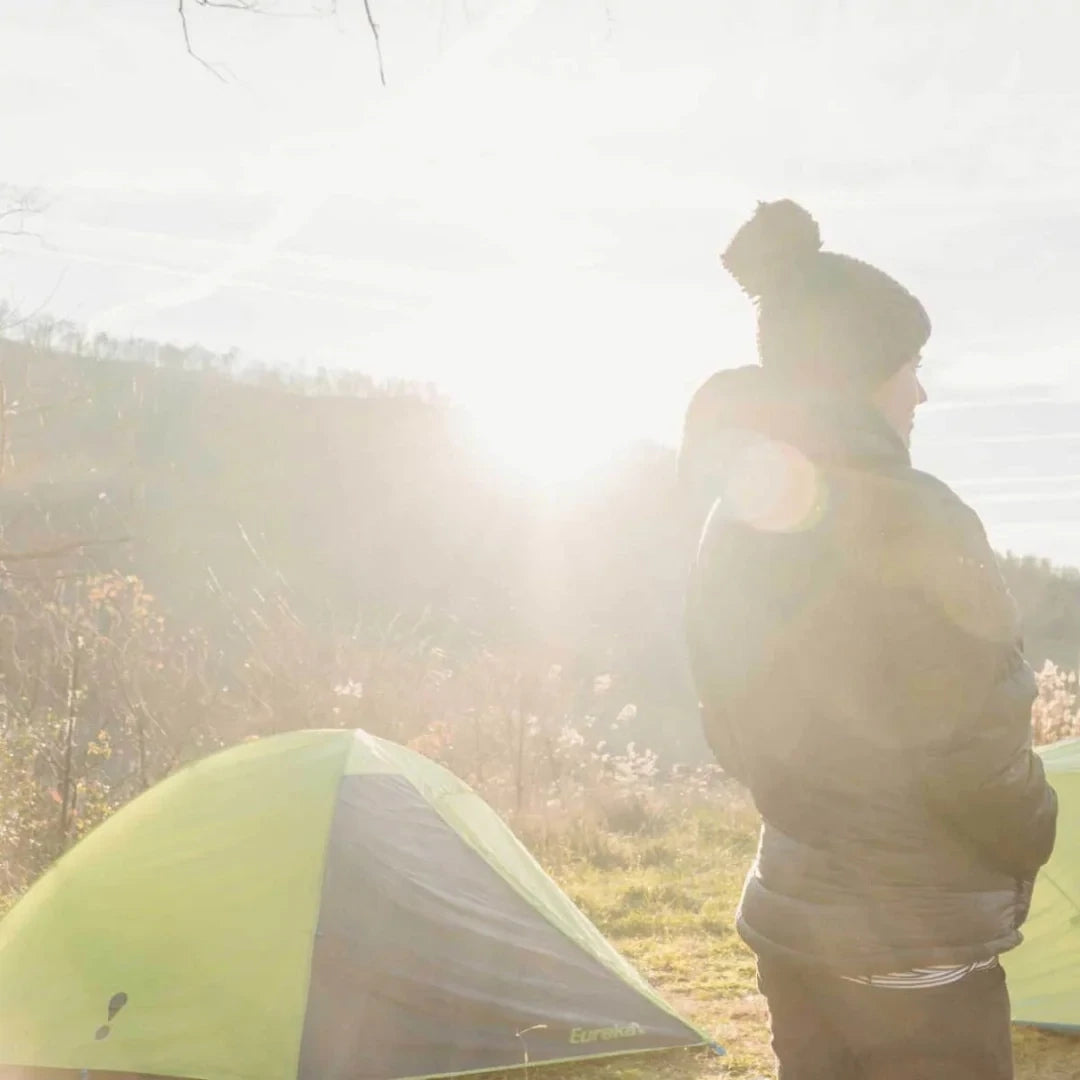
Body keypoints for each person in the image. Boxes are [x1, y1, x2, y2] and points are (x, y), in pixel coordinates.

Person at [680, 199, 1058, 1080]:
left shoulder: (733, 517)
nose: (921, 392)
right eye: (912, 366)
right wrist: (1037, 823)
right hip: (916, 930)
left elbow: (727, 719)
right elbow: (979, 739)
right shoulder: (918, 515)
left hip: (792, 916)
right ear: (863, 375)